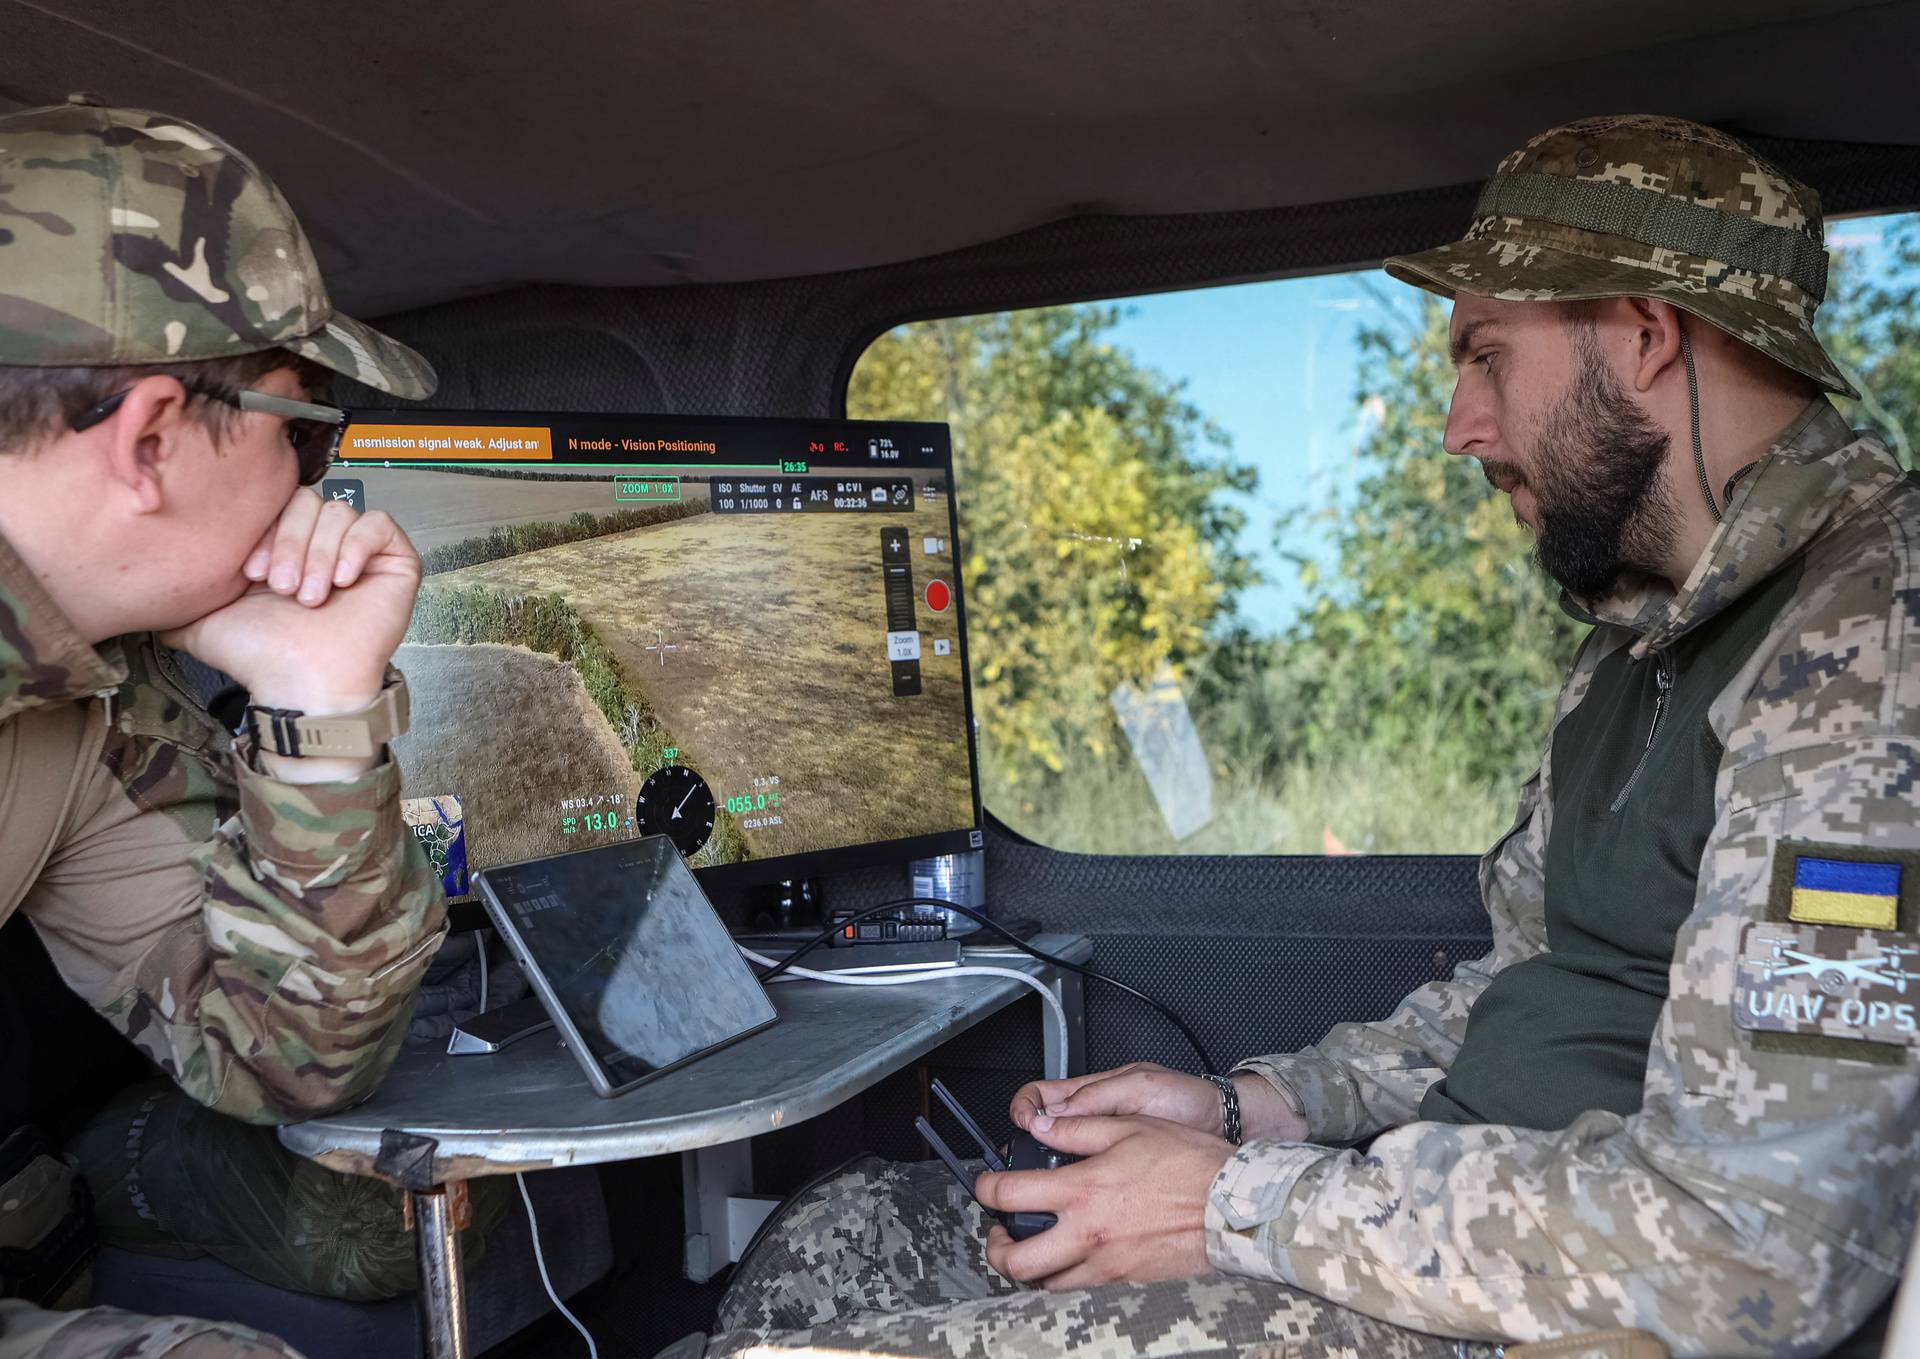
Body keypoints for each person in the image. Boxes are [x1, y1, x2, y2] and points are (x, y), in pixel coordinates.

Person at [669, 115, 1920, 1359]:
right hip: (1429, 1219)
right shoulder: (1638, 648)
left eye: (1486, 357)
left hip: (1536, 1307)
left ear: (1646, 334)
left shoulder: (1867, 646)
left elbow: (1750, 1245)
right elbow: (1515, 996)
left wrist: (1224, 1204)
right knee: (832, 1234)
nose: (1459, 427)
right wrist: (1250, 1109)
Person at [0, 98, 447, 1357]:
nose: (319, 481)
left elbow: (285, 1056)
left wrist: (319, 708)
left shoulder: (81, 701)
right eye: (307, 429)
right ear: (148, 442)